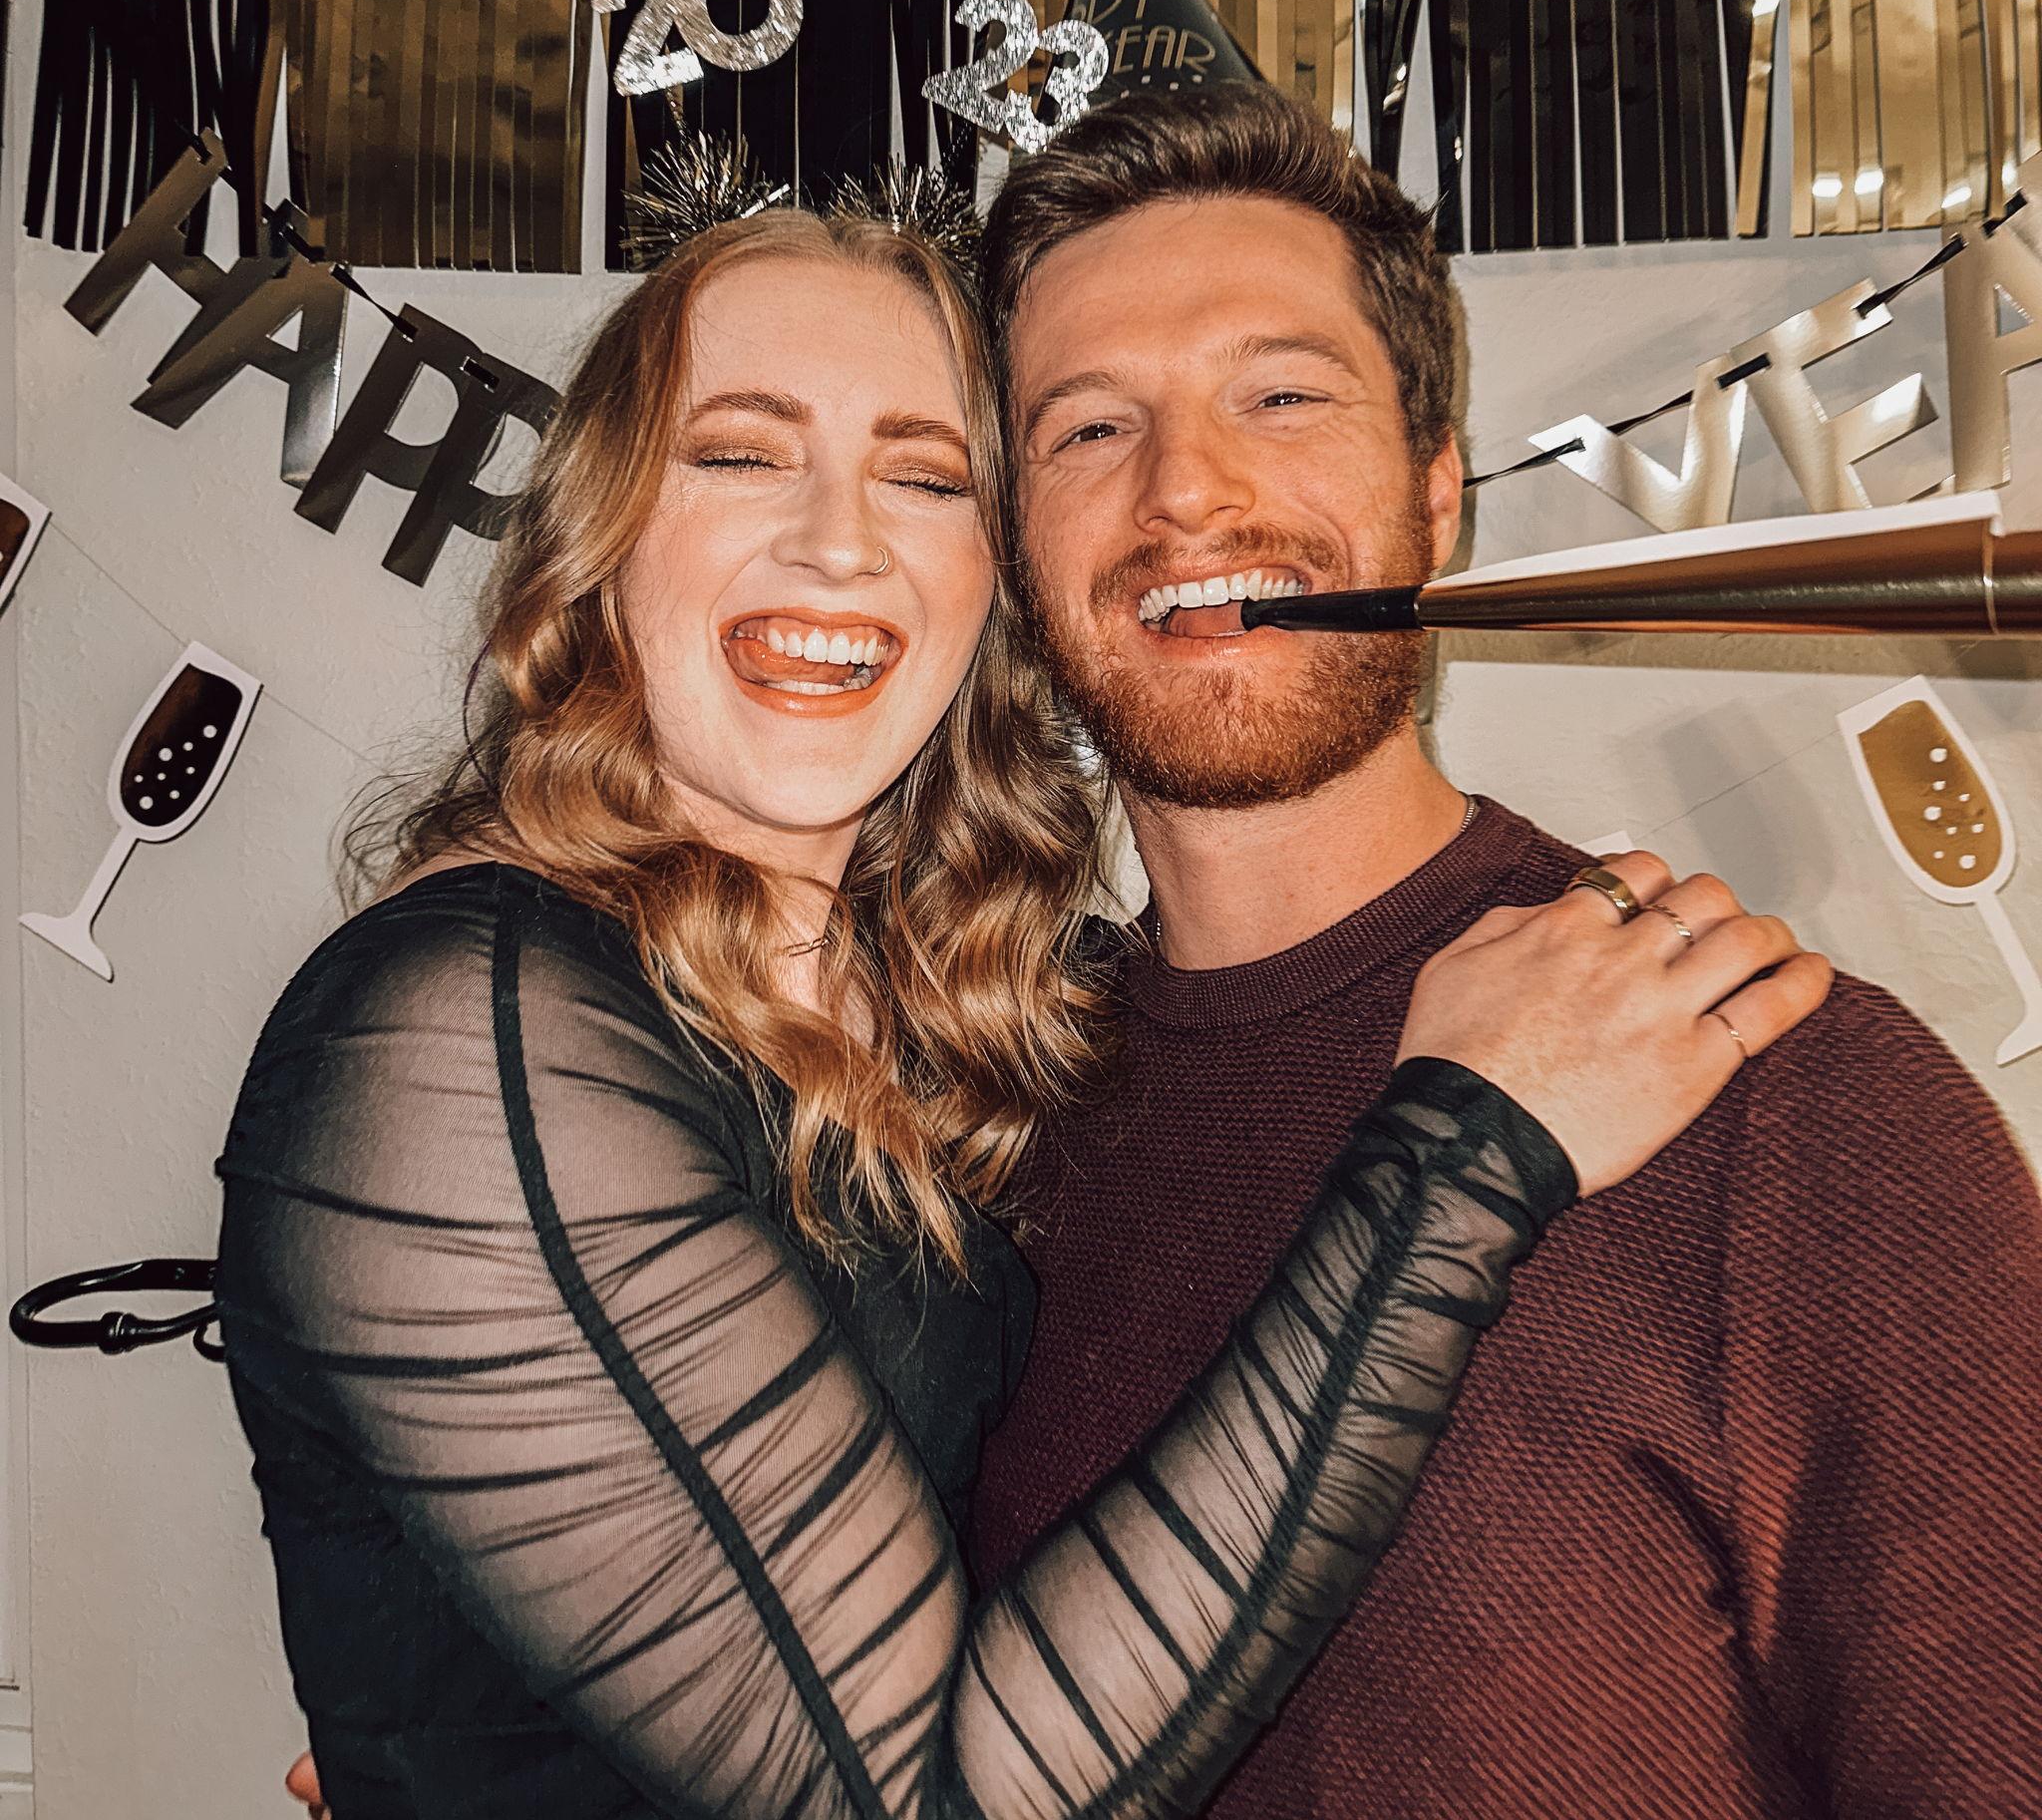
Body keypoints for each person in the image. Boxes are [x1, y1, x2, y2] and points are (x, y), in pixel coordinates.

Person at [219, 204, 1828, 1820]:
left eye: (925, 476)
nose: (841, 541)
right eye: (738, 454)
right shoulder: (457, 1031)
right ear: (603, 533)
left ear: (995, 579)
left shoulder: (967, 1018)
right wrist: (1470, 1148)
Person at [963, 83, 2042, 1817]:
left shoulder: (1790, 1094)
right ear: (1020, 556)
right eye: (1087, 429)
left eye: (1283, 395)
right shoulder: (967, 1126)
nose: (1187, 490)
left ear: (1438, 496)